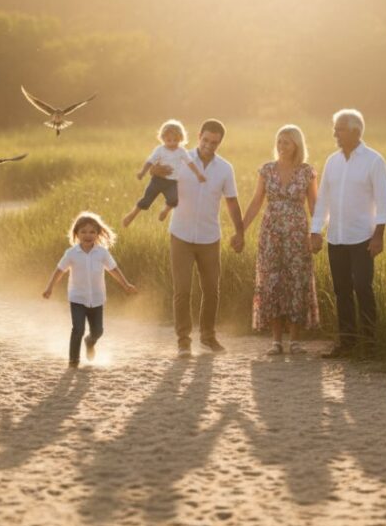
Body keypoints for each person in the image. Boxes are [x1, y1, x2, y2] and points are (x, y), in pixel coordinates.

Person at [150, 119, 244, 358]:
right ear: (199, 135)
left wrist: (239, 232)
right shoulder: (180, 159)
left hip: (209, 238)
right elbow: (159, 178)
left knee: (211, 290)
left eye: (214, 142)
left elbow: (232, 201)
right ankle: (183, 341)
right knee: (182, 290)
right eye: (205, 140)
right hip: (180, 235)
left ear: (220, 142)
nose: (209, 146)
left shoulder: (225, 169)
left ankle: (208, 337)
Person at [310, 109, 386, 358]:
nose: (335, 133)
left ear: (355, 131)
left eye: (340, 129)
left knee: (363, 288)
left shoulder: (374, 161)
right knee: (341, 290)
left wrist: (379, 236)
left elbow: (384, 202)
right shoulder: (332, 161)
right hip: (337, 237)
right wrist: (315, 231)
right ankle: (346, 343)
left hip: (362, 238)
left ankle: (369, 344)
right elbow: (322, 199)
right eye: (335, 129)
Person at [242, 124, 319, 355]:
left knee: (297, 280)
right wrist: (241, 229)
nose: (281, 146)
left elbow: (315, 205)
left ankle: (295, 341)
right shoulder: (267, 170)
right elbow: (256, 201)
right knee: (272, 281)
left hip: (297, 233)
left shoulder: (307, 172)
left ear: (297, 144)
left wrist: (316, 233)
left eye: (286, 142)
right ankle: (276, 341)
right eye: (279, 141)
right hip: (271, 233)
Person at [43, 211, 137, 367]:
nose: (88, 235)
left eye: (92, 232)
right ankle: (74, 360)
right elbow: (59, 270)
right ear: (77, 234)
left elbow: (113, 269)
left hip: (97, 298)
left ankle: (90, 342)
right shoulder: (71, 253)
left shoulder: (102, 253)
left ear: (98, 234)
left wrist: (126, 284)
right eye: (83, 232)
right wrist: (49, 288)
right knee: (78, 329)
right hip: (77, 298)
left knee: (98, 331)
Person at [123, 119, 207, 227]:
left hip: (171, 182)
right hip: (157, 181)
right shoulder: (160, 150)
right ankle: (132, 214)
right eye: (169, 140)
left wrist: (198, 174)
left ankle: (165, 211)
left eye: (175, 140)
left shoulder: (181, 151)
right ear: (163, 139)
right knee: (146, 199)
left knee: (174, 199)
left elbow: (190, 162)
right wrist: (142, 172)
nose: (172, 143)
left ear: (181, 138)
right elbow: (150, 161)